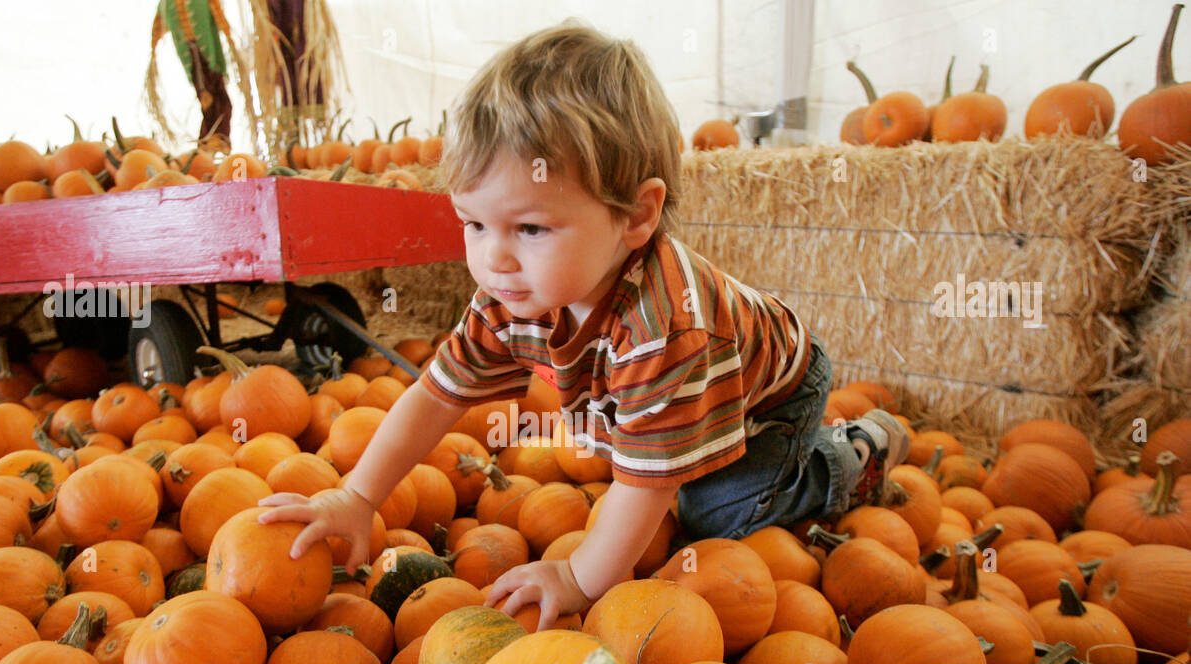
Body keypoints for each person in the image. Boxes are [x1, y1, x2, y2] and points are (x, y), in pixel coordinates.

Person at [259, 21, 910, 631]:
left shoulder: (665, 332)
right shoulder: (510, 291)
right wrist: (358, 496)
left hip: (767, 393)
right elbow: (435, 395)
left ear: (636, 216)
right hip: (688, 396)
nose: (494, 256)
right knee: (644, 475)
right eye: (474, 223)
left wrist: (580, 574)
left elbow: (648, 481)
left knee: (716, 520)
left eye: (531, 228)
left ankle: (852, 455)